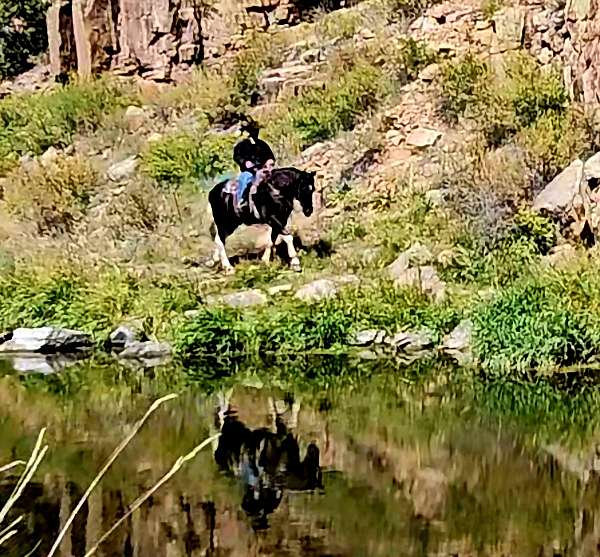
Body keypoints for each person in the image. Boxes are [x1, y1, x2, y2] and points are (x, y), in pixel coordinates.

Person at [233, 118, 275, 216]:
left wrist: (270, 162)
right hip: (249, 171)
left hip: (264, 170)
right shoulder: (241, 145)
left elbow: (270, 156)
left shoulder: (262, 144)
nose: (255, 133)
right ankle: (241, 201)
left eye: (256, 131)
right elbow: (237, 157)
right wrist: (245, 162)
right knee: (246, 178)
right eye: (252, 131)